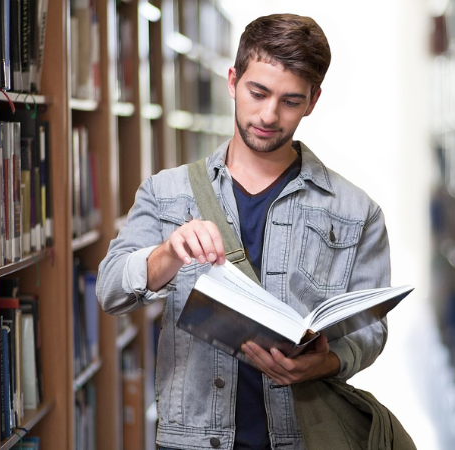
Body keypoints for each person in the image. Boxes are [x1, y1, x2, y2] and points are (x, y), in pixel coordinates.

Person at [97, 13, 392, 450]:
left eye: (291, 101)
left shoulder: (356, 210)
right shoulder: (167, 192)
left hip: (303, 438)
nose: (269, 115)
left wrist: (326, 363)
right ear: (233, 80)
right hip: (193, 440)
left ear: (313, 100)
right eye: (258, 92)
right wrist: (167, 254)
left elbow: (371, 331)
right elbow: (110, 290)